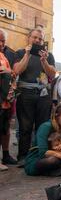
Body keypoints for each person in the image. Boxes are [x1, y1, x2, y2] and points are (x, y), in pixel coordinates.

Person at [14, 28, 56, 165]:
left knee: (42, 126)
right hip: (26, 93)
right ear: (29, 37)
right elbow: (17, 70)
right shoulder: (20, 52)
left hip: (43, 95)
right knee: (25, 127)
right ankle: (23, 156)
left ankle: (39, 154)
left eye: (40, 39)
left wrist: (44, 61)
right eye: (35, 37)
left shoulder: (48, 55)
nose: (37, 40)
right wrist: (27, 54)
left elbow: (52, 74)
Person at [25, 104, 61, 176]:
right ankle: (51, 171)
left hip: (60, 156)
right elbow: (43, 153)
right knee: (54, 160)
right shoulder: (46, 127)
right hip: (38, 159)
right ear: (57, 115)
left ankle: (53, 171)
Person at [0, 29, 17, 169]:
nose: (1, 44)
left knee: (5, 129)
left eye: (3, 41)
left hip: (6, 100)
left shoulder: (4, 56)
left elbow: (11, 74)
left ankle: (5, 154)